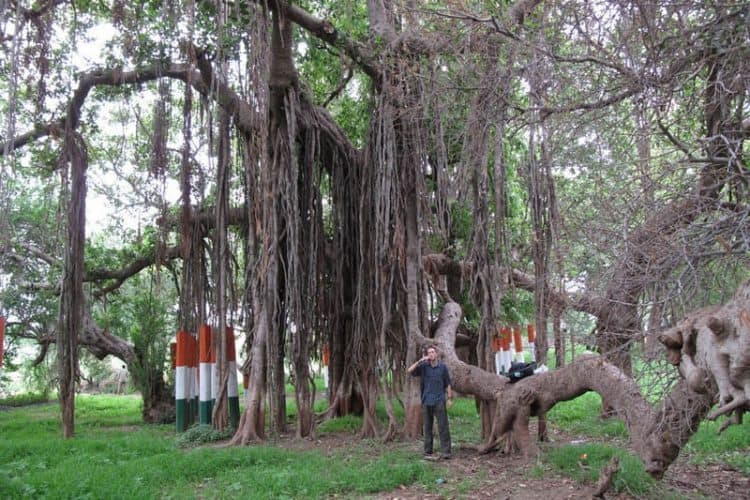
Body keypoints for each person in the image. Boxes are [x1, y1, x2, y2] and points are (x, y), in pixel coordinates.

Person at [407, 345, 452, 460]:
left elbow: (447, 383)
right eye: (429, 352)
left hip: (439, 400)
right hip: (427, 401)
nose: (431, 354)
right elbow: (409, 371)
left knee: (443, 426)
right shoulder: (423, 367)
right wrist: (420, 360)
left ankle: (446, 451)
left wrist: (450, 398)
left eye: (433, 352)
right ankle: (428, 451)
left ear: (436, 354)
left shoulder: (442, 367)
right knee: (427, 427)